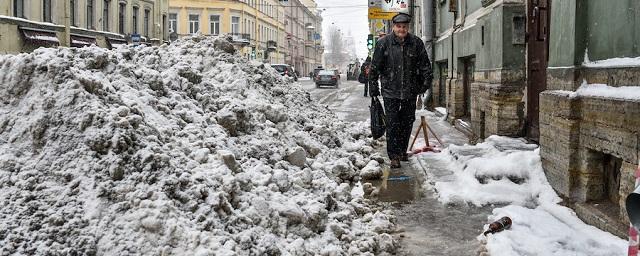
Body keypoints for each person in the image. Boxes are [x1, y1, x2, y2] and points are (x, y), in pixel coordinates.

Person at [368, 12, 433, 168]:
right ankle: (394, 156)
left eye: (404, 27)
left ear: (407, 27)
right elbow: (375, 68)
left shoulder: (416, 43)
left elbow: (425, 66)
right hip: (390, 91)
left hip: (410, 91)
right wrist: (373, 87)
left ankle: (402, 151)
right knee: (392, 124)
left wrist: (425, 84)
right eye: (398, 26)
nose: (401, 29)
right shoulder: (383, 43)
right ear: (393, 27)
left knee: (407, 122)